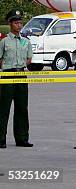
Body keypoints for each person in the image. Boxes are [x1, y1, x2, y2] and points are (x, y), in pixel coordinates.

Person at [0, 9, 34, 149]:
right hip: (7, 75)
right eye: (16, 22)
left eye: (20, 23)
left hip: (21, 74)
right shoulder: (3, 41)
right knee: (3, 108)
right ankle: (1, 139)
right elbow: (0, 59)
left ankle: (22, 138)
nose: (19, 25)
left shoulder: (26, 42)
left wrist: (19, 66)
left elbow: (29, 59)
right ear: (10, 24)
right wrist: (9, 67)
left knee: (22, 108)